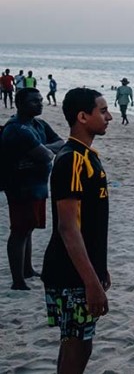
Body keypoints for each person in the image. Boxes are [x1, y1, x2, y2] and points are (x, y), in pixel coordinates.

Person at [42, 88, 113, 374]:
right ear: (82, 117)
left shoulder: (88, 156)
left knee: (77, 340)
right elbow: (68, 227)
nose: (108, 116)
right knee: (77, 343)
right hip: (70, 273)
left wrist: (100, 269)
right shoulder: (72, 159)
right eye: (103, 111)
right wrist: (91, 282)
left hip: (82, 271)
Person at [2, 87, 63, 290]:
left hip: (37, 186)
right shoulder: (17, 129)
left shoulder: (38, 124)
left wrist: (45, 150)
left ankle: (27, 269)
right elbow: (45, 155)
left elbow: (60, 143)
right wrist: (45, 152)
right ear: (20, 104)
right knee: (19, 231)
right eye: (33, 102)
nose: (39, 104)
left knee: (28, 229)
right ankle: (17, 280)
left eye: (40, 100)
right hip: (20, 187)